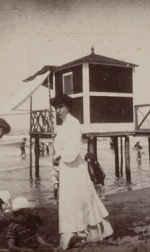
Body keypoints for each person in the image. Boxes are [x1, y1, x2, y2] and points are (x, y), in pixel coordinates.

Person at [50, 94, 113, 250]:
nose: (58, 111)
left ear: (68, 107)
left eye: (61, 107)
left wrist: (58, 155)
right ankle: (73, 233)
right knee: (70, 201)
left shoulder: (73, 123)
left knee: (78, 200)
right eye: (56, 108)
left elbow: (73, 148)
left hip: (74, 167)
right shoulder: (63, 125)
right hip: (66, 167)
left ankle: (86, 233)